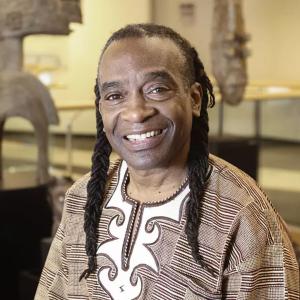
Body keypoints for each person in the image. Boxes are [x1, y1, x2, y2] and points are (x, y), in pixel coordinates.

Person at [35, 24, 299, 299]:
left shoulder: (241, 212)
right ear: (101, 108)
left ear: (195, 99)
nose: (136, 113)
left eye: (157, 89)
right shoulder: (82, 197)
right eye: (115, 96)